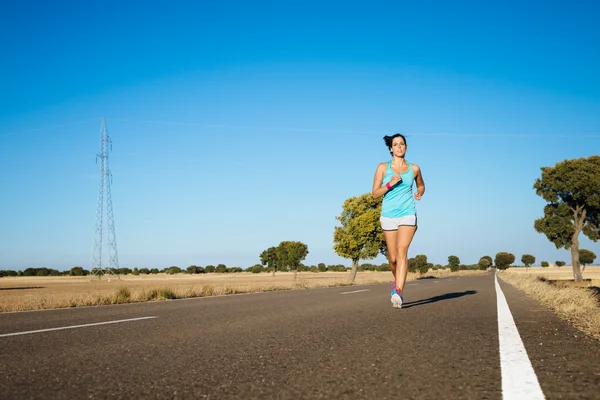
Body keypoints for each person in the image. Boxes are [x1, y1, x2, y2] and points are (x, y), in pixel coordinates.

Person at [372, 133, 425, 308]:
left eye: (402, 144)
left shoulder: (414, 168)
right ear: (391, 149)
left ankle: (398, 291)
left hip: (408, 213)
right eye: (395, 144)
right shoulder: (382, 167)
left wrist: (419, 192)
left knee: (402, 251)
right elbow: (374, 194)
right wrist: (390, 184)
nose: (399, 147)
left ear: (406, 147)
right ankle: (397, 281)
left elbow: (421, 184)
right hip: (388, 215)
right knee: (393, 259)